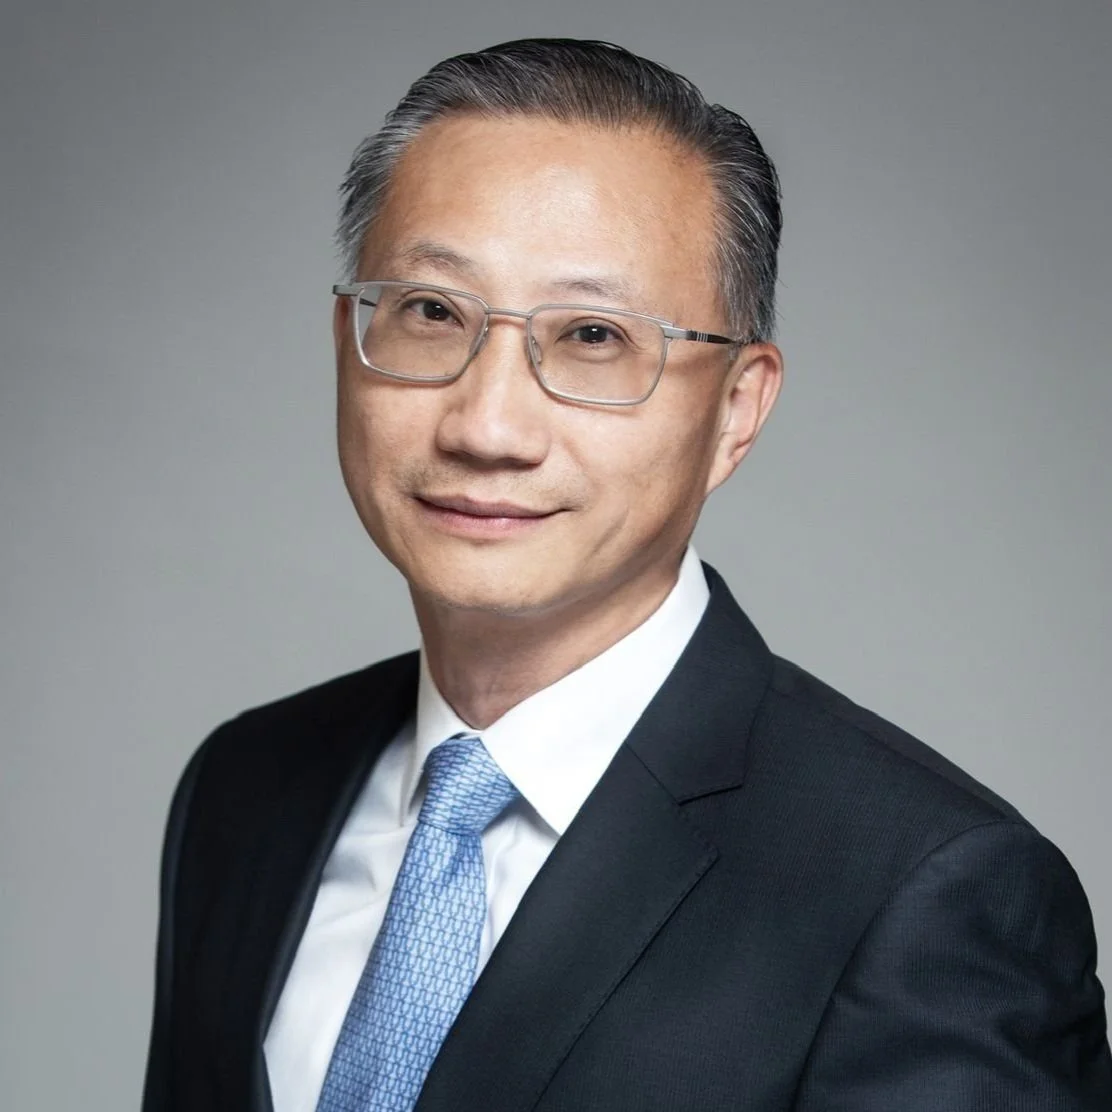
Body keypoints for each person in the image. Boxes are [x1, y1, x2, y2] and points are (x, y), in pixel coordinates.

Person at [141, 37, 1111, 1112]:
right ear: (347, 338)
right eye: (429, 312)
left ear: (734, 409)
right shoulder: (246, 787)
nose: (487, 423)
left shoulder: (921, 891)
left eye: (594, 335)